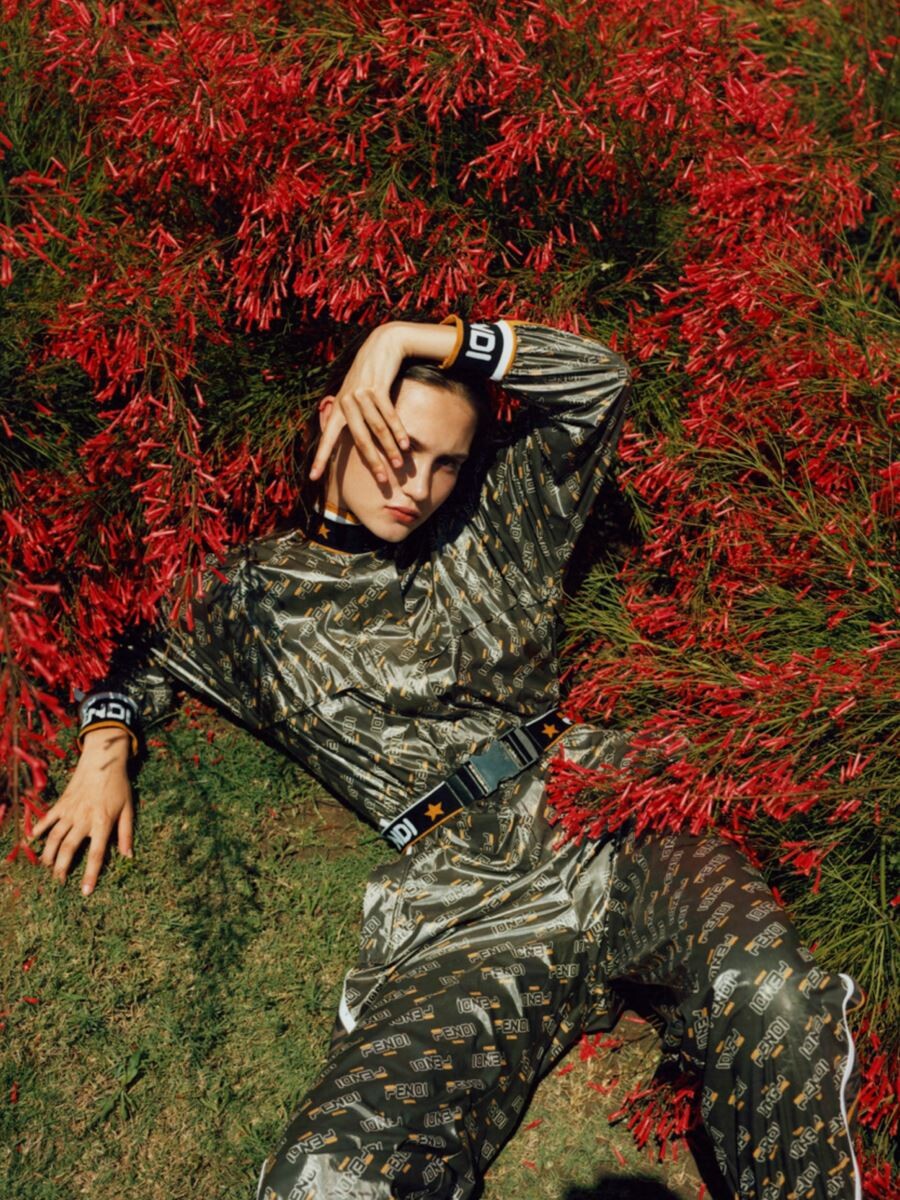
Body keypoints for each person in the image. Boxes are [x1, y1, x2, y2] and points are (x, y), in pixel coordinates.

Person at [31, 317, 862, 1200]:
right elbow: (131, 645)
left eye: (446, 463)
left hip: (610, 819)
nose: (418, 487)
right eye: (399, 449)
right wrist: (105, 747)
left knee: (771, 995)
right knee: (331, 1175)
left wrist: (403, 338)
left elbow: (599, 382)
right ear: (334, 419)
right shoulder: (246, 600)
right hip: (467, 906)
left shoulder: (497, 521)